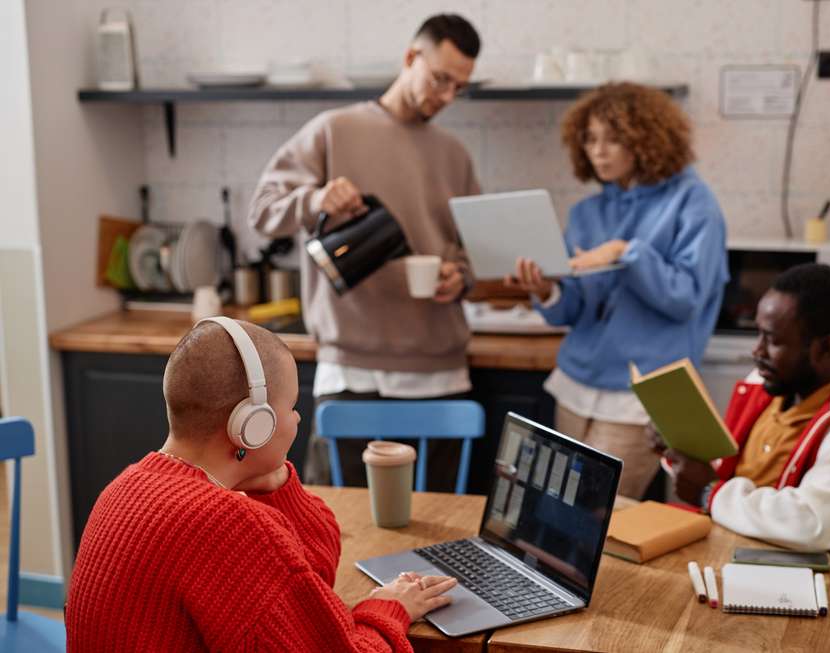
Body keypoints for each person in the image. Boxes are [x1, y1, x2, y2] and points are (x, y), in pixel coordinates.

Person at [66, 319, 456, 652]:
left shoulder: (125, 487)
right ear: (252, 424)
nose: (297, 419)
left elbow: (308, 582)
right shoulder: (225, 522)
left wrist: (274, 482)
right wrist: (389, 608)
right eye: (289, 407)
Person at [247, 14, 482, 490]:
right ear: (411, 57)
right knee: (338, 528)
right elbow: (263, 212)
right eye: (441, 80)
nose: (447, 96)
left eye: (459, 88)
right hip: (350, 369)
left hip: (439, 372)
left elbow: (476, 251)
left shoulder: (454, 153)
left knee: (438, 534)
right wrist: (314, 199)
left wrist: (462, 277)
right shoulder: (334, 130)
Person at [506, 82, 728, 498]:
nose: (598, 151)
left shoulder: (694, 203)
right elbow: (571, 309)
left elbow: (686, 299)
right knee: (553, 507)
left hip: (640, 395)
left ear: (645, 140)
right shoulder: (588, 212)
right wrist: (548, 288)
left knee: (596, 514)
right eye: (590, 139)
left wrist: (626, 252)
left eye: (613, 139)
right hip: (575, 385)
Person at [662, 263, 830, 551]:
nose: (757, 351)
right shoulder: (770, 383)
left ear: (826, 349)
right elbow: (721, 469)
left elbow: (812, 523)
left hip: (775, 571)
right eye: (759, 334)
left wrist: (710, 493)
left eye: (773, 340)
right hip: (723, 543)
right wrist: (677, 446)